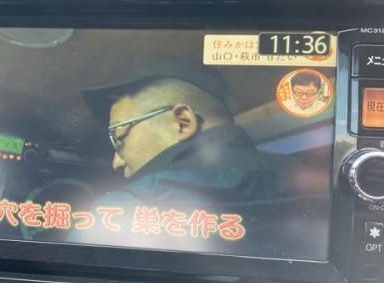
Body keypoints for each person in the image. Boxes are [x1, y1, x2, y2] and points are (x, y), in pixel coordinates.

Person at [69, 57, 281, 251]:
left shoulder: (118, 215)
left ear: (183, 122)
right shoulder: (298, 181)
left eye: (118, 137)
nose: (117, 162)